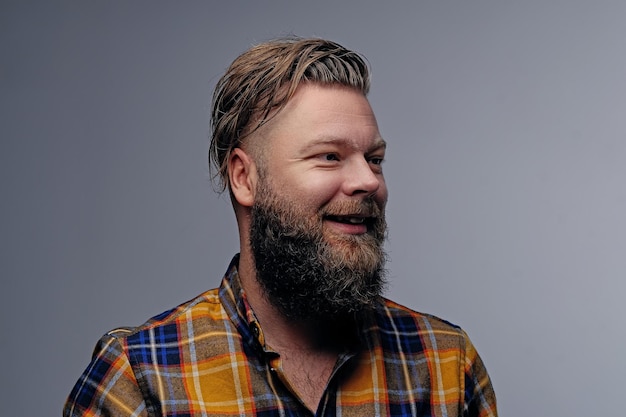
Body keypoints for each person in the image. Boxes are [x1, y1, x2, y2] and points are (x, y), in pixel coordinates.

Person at [64, 37, 498, 417]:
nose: (369, 180)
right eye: (329, 155)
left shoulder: (446, 366)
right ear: (244, 177)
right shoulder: (141, 380)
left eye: (375, 159)